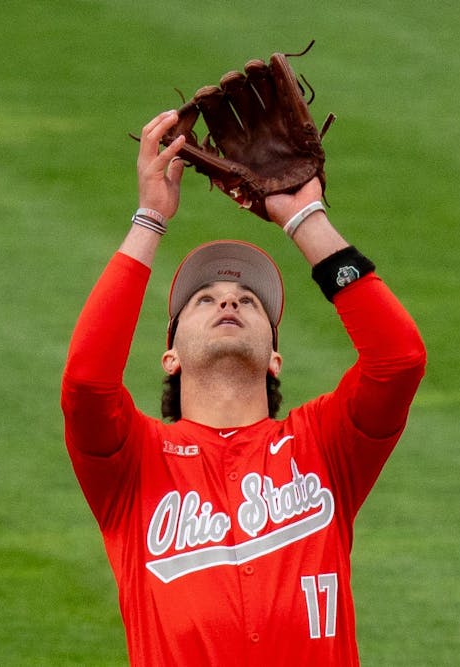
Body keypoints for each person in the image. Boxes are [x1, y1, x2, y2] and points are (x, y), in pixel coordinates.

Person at [61, 109, 426, 666]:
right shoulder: (132, 464)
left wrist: (305, 217)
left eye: (249, 301)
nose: (228, 299)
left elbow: (398, 361)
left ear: (275, 357)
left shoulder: (325, 445)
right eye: (203, 300)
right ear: (171, 354)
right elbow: (87, 382)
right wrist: (149, 220)